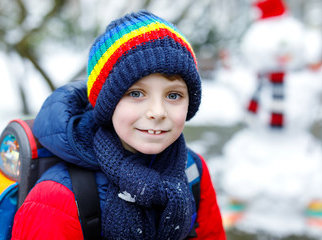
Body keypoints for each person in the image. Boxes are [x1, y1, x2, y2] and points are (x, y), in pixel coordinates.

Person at [11, 10, 225, 240]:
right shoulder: (58, 198)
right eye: (136, 93)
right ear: (106, 104)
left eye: (173, 95)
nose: (157, 112)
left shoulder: (192, 170)